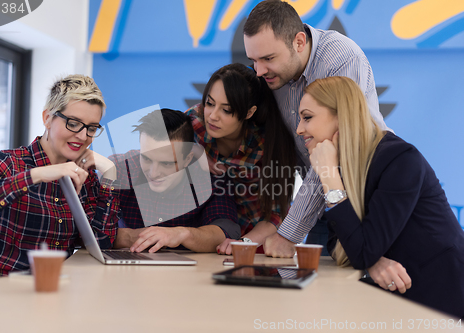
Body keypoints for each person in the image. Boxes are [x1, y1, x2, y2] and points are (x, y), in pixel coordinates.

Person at [299, 76, 464, 318]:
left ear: (341, 117)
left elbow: (361, 249)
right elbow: (339, 239)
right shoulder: (344, 162)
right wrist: (374, 260)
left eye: (307, 117)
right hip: (398, 291)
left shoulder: (401, 159)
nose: (299, 129)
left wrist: (328, 175)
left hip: (441, 295)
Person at [242, 0, 390, 257]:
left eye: (268, 58)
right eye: (253, 60)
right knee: (318, 290)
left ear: (299, 42)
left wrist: (289, 233)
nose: (259, 71)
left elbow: (334, 151)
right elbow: (229, 105)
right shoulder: (270, 74)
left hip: (365, 199)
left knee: (364, 285)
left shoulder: (341, 58)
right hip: (320, 202)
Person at [0, 75, 120, 281]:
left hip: (48, 291)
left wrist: (110, 176)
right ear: (47, 118)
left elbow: (99, 244)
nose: (83, 137)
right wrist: (37, 174)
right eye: (73, 123)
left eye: (91, 128)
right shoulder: (10, 162)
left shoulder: (85, 176)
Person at [186, 63, 301, 255]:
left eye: (227, 110)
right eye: (209, 103)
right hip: (205, 233)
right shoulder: (193, 122)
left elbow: (275, 215)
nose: (213, 116)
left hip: (255, 236)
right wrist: (193, 156)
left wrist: (243, 243)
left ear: (249, 112)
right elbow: (154, 160)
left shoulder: (267, 145)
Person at [112, 108, 240, 253]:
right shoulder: (121, 169)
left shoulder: (211, 180)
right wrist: (129, 237)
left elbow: (225, 230)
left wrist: (182, 234)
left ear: (187, 159)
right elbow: (87, 227)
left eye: (167, 163)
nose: (154, 173)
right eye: (146, 158)